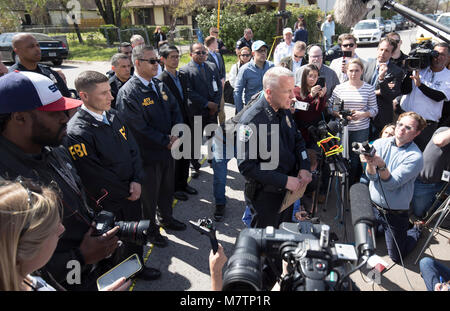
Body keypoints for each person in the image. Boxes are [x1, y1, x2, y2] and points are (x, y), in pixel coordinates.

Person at [0, 71, 121, 291]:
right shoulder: (5, 187)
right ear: (19, 117)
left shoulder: (53, 146)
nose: (65, 118)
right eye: (54, 113)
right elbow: (11, 268)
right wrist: (80, 257)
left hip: (90, 270)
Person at [65, 70, 161, 281]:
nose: (111, 97)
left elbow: (133, 149)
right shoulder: (77, 132)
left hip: (132, 191)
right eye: (104, 93)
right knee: (112, 243)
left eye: (110, 91)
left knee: (134, 235)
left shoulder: (114, 115)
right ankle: (116, 278)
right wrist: (127, 191)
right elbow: (94, 175)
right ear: (84, 96)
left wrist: (137, 180)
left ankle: (137, 267)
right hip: (109, 201)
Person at [0, 180, 131, 291]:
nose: (61, 229)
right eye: (54, 227)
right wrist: (80, 256)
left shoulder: (27, 279)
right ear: (27, 249)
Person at [116, 45, 186, 249]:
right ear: (137, 63)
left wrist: (177, 132)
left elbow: (175, 109)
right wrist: (166, 140)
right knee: (149, 197)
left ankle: (167, 218)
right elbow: (137, 128)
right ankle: (151, 230)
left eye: (157, 60)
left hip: (167, 151)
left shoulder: (159, 85)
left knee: (166, 189)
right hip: (147, 156)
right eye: (152, 61)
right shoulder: (129, 92)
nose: (157, 64)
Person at [237, 66, 312, 229]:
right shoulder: (251, 122)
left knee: (282, 234)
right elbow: (246, 167)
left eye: (293, 90)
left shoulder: (283, 109)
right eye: (287, 91)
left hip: (287, 192)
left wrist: (305, 166)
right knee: (263, 243)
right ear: (269, 92)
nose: (293, 96)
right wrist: (284, 180)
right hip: (266, 197)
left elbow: (297, 139)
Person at [360, 111, 427, 263]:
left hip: (395, 214)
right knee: (366, 240)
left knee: (396, 257)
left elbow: (391, 184)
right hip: (374, 207)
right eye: (400, 124)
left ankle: (415, 230)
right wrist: (371, 163)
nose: (401, 129)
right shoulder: (379, 144)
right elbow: (371, 176)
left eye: (408, 128)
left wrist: (381, 165)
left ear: (416, 133)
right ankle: (392, 230)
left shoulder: (415, 157)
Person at [158, 45, 198, 201]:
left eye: (177, 56)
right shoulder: (161, 79)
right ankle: (174, 188)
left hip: (186, 120)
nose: (175, 60)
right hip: (173, 124)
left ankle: (183, 184)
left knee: (185, 155)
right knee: (175, 158)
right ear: (163, 59)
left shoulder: (181, 75)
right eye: (172, 57)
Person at [329, 58, 378, 185]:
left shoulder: (369, 89)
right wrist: (340, 115)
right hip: (342, 129)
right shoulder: (339, 88)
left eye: (357, 70)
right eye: (351, 70)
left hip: (361, 129)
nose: (353, 73)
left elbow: (374, 110)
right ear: (346, 71)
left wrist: (363, 114)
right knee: (341, 157)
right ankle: (341, 184)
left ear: (362, 71)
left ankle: (352, 185)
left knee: (356, 159)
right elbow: (331, 108)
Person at [180, 43, 223, 177]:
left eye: (204, 52)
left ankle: (213, 160)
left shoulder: (212, 66)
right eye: (198, 52)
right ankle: (194, 165)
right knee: (195, 140)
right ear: (191, 54)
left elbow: (219, 87)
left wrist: (215, 104)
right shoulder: (184, 71)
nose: (202, 55)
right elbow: (189, 92)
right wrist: (206, 104)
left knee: (213, 137)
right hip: (196, 111)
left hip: (212, 111)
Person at [400, 42, 450, 151]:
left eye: (442, 55)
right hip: (407, 121)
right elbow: (405, 90)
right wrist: (410, 69)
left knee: (421, 158)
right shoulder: (419, 68)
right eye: (435, 53)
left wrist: (420, 85)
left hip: (426, 126)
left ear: (448, 58)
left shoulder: (448, 76)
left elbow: (439, 96)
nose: (438, 57)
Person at [363, 37, 403, 140]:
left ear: (392, 54)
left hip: (382, 115)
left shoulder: (396, 71)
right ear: (377, 49)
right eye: (381, 49)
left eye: (387, 51)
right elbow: (360, 86)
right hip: (364, 113)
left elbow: (390, 94)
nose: (383, 53)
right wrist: (377, 91)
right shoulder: (366, 66)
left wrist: (381, 80)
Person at [9, 33, 71, 98]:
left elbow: (66, 97)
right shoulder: (13, 78)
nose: (37, 49)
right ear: (17, 51)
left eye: (38, 45)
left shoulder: (49, 72)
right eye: (31, 46)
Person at [411, 127, 450, 220]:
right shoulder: (443, 131)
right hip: (426, 181)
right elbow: (440, 141)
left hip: (445, 182)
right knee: (419, 212)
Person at [292, 64, 327, 147]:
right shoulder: (296, 90)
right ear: (304, 76)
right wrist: (311, 95)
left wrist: (322, 97)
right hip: (300, 131)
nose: (312, 79)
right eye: (310, 76)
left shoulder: (317, 90)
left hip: (314, 132)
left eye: (315, 76)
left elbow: (318, 111)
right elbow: (302, 110)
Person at [233, 40, 274, 113]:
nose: (263, 53)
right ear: (253, 53)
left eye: (265, 50)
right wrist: (240, 113)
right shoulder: (245, 69)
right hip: (251, 109)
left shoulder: (272, 67)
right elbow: (237, 92)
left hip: (269, 109)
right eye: (260, 51)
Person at [205, 36, 227, 125]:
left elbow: (223, 68)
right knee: (212, 108)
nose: (218, 44)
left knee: (221, 107)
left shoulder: (218, 55)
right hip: (211, 87)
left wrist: (223, 79)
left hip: (220, 86)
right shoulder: (205, 55)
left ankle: (223, 127)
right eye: (216, 42)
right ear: (211, 44)